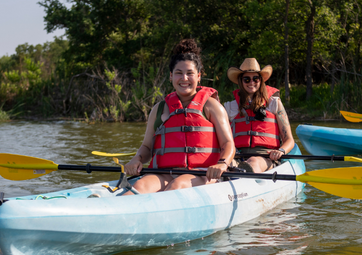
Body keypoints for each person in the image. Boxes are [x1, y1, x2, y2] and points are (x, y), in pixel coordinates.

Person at [122, 39, 235, 195]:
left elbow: (228, 143)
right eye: (178, 73)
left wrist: (222, 164)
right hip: (164, 173)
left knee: (178, 185)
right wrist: (137, 158)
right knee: (140, 186)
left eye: (190, 73)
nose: (184, 78)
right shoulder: (159, 109)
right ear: (171, 76)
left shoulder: (211, 106)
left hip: (202, 173)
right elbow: (147, 147)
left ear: (199, 76)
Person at [222, 58, 295, 173]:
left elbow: (289, 140)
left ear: (261, 80)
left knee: (254, 162)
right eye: (247, 79)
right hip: (237, 156)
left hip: (266, 158)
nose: (251, 82)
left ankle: (243, 174)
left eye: (255, 78)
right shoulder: (230, 107)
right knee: (225, 163)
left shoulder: (274, 103)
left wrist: (281, 151)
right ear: (241, 81)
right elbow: (221, 139)